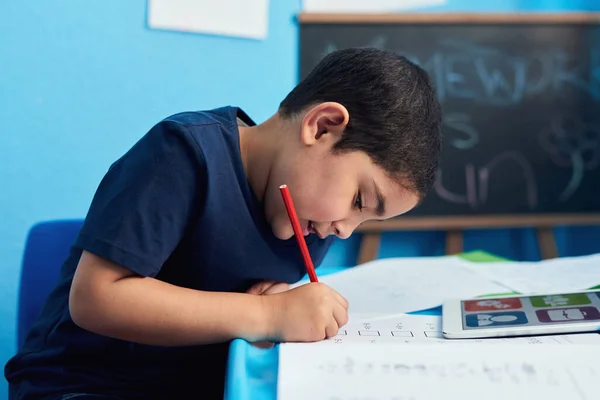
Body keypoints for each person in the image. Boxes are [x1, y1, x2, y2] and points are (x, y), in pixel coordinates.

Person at [5, 47, 442, 399]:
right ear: (323, 126)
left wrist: (278, 311)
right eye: (359, 199)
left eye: (364, 220)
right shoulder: (183, 154)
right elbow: (95, 299)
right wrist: (264, 313)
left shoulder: (310, 219)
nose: (346, 229)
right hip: (83, 385)